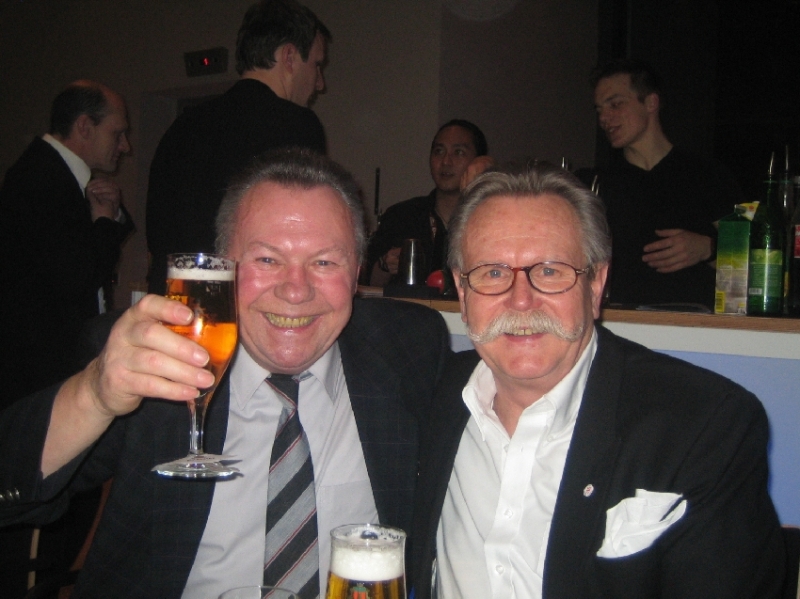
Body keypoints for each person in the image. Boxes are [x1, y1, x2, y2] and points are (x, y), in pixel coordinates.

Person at [0, 150, 451, 599]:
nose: (295, 290)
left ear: (357, 273)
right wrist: (92, 396)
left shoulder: (409, 348)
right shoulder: (152, 362)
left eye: (324, 262)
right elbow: (13, 493)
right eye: (267, 260)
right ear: (221, 269)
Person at [410, 164, 785, 598]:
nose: (521, 300)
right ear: (462, 292)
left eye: (550, 271)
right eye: (493, 273)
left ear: (595, 286)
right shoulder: (428, 396)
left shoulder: (703, 427)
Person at [146, 0, 330, 294]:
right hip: (235, 303)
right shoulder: (297, 124)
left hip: (172, 297)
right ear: (289, 56)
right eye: (317, 65)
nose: (320, 83)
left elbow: (157, 235)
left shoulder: (182, 125)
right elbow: (302, 233)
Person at [0, 79, 133, 408]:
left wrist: (111, 215)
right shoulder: (40, 179)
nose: (125, 146)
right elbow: (78, 277)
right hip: (40, 368)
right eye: (117, 133)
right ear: (85, 127)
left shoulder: (57, 173)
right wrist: (104, 222)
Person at [590, 59, 743, 309]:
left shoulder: (708, 175)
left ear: (651, 103)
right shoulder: (598, 185)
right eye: (599, 110)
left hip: (694, 323)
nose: (604, 118)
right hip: (621, 322)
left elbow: (750, 265)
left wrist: (708, 249)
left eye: (615, 104)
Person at [365, 119, 489, 287]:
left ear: (477, 162)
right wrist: (385, 264)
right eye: (439, 151)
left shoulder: (487, 219)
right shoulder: (402, 216)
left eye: (458, 152)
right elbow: (366, 284)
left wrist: (490, 170)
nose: (446, 161)